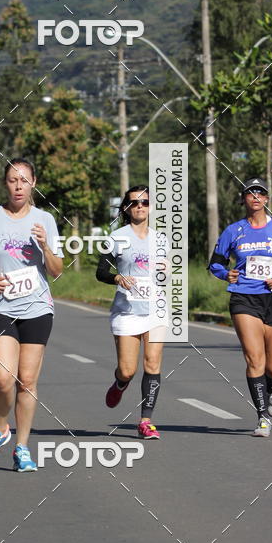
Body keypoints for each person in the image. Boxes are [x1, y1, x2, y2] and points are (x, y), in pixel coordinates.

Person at [0, 158, 63, 472]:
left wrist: (46, 246)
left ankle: (22, 447)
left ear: (33, 182)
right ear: (5, 184)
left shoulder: (45, 220)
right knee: (2, 377)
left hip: (37, 307)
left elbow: (57, 271)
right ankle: (1, 427)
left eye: (23, 180)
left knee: (28, 381)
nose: (18, 186)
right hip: (0, 306)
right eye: (12, 180)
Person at [209, 177, 272, 437]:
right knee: (255, 359)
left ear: (266, 199)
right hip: (244, 298)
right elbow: (215, 264)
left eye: (260, 192)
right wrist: (225, 274)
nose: (255, 196)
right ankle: (262, 418)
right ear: (243, 199)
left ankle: (271, 388)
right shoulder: (233, 231)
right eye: (250, 192)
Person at [95, 186, 169, 440]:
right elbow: (101, 271)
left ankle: (146, 421)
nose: (140, 206)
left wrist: (167, 271)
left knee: (152, 363)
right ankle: (120, 383)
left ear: (150, 207)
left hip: (156, 309)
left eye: (145, 202)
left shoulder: (161, 239)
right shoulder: (117, 237)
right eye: (134, 202)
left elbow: (168, 273)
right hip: (127, 311)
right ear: (126, 207)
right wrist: (117, 277)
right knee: (128, 370)